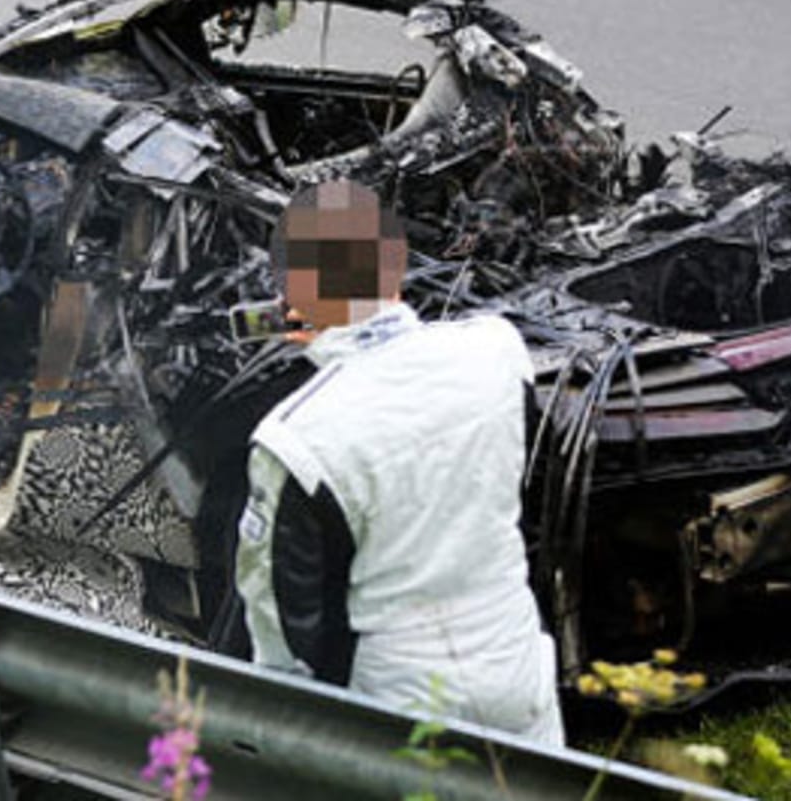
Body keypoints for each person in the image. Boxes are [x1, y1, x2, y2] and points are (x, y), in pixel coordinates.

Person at [233, 179, 564, 745]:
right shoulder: (498, 350)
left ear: (290, 292)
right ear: (399, 260)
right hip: (518, 681)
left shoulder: (294, 441)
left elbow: (286, 640)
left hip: (399, 711)